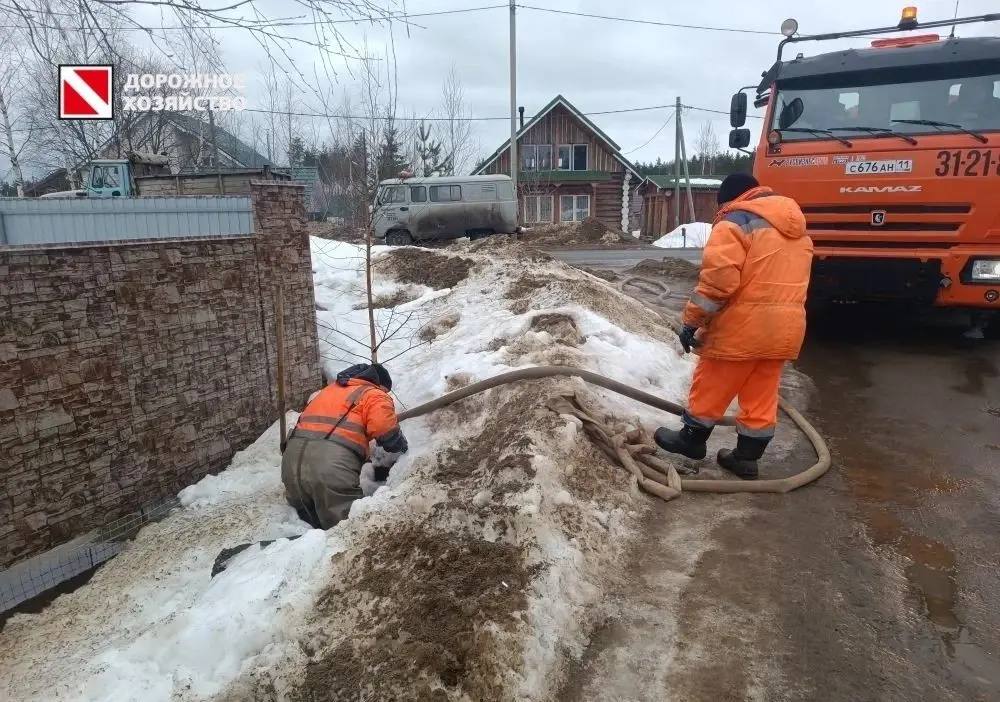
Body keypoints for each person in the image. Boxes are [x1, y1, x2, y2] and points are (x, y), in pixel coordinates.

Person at [655, 173, 813, 479]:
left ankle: (692, 441)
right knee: (761, 392)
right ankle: (746, 458)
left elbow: (718, 283)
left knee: (713, 380)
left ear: (729, 199)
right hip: (786, 328)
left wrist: (691, 322)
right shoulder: (798, 230)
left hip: (742, 327)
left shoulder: (734, 223)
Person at [281, 363, 408, 528]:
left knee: (304, 526)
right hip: (330, 467)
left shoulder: (329, 390)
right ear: (379, 383)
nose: (385, 394)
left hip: (291, 463)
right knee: (347, 530)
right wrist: (401, 446)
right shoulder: (374, 393)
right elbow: (384, 428)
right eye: (385, 390)